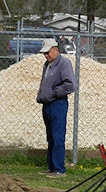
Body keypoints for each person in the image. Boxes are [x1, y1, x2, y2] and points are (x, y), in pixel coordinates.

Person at [36, 38, 77, 178]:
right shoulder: (48, 64)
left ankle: (59, 169)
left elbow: (70, 85)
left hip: (57, 104)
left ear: (55, 49)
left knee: (58, 136)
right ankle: (51, 166)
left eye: (47, 52)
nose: (46, 55)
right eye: (44, 53)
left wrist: (53, 94)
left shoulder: (64, 63)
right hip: (47, 104)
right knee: (50, 137)